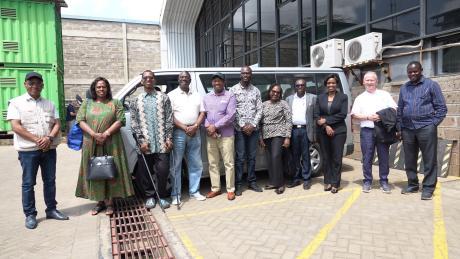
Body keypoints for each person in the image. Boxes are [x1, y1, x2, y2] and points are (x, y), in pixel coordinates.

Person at [7, 72, 69, 229]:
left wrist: (48, 138)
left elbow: (56, 124)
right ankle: (30, 215)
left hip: (49, 149)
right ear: (25, 84)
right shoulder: (16, 103)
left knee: (50, 180)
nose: (35, 85)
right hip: (28, 151)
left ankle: (51, 209)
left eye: (38, 83)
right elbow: (16, 126)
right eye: (31, 82)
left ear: (42, 85)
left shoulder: (49, 104)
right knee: (28, 183)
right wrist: (37, 140)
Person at [75, 77, 135, 215]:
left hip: (111, 142)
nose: (101, 89)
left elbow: (121, 120)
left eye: (104, 87)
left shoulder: (115, 103)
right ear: (94, 89)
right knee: (95, 171)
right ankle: (99, 201)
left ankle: (110, 203)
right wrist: (94, 134)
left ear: (107, 88)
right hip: (92, 142)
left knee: (110, 170)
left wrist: (106, 133)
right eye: (98, 87)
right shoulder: (87, 103)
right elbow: (80, 120)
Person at [397, 61, 447, 200]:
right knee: (409, 159)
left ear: (421, 70)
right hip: (407, 129)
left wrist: (433, 125)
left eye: (415, 71)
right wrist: (400, 127)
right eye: (410, 72)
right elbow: (400, 109)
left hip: (426, 127)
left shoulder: (431, 85)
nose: (412, 74)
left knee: (429, 159)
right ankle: (412, 185)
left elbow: (442, 108)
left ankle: (428, 188)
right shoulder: (404, 88)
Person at [130, 70, 173, 209]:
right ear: (142, 81)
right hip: (145, 144)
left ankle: (162, 196)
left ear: (154, 80)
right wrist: (141, 141)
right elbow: (134, 122)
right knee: (145, 173)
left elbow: (169, 119)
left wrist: (169, 138)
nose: (148, 80)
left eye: (151, 77)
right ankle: (150, 197)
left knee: (163, 171)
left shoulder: (164, 98)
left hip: (162, 142)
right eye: (146, 78)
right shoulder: (136, 100)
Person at [351, 72, 398, 193]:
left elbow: (394, 108)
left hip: (382, 130)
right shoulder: (360, 98)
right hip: (367, 131)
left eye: (372, 80)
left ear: (376, 82)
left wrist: (381, 116)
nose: (370, 82)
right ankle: (367, 181)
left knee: (384, 156)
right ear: (363, 82)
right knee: (367, 157)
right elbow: (354, 115)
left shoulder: (384, 94)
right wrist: (367, 117)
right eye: (367, 80)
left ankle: (384, 181)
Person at [168, 71, 206, 204]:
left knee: (196, 163)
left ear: (190, 80)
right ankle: (176, 194)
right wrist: (184, 128)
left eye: (186, 77)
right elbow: (170, 116)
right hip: (178, 132)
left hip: (195, 131)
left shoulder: (197, 95)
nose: (184, 79)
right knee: (176, 164)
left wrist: (195, 126)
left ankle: (194, 192)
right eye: (181, 77)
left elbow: (202, 113)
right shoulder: (171, 95)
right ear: (178, 80)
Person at [230, 66, 263, 196]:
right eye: (243, 73)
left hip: (253, 130)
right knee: (240, 157)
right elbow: (232, 110)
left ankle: (251, 181)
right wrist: (243, 125)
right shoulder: (233, 90)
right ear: (240, 74)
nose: (246, 75)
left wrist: (253, 124)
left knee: (252, 157)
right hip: (239, 129)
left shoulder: (256, 90)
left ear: (251, 74)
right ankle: (238, 184)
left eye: (248, 73)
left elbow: (259, 109)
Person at [203, 73, 237, 200]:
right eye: (214, 81)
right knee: (213, 163)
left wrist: (215, 126)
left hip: (226, 135)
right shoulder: (206, 97)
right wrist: (208, 127)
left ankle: (230, 189)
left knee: (229, 163)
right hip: (211, 135)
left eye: (219, 81)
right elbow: (203, 115)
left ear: (224, 82)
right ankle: (215, 188)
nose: (217, 83)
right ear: (212, 83)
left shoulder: (230, 95)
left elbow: (231, 115)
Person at [314, 74, 348, 194]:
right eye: (329, 83)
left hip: (338, 131)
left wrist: (327, 120)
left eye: (333, 83)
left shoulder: (343, 97)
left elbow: (343, 114)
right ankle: (327, 181)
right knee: (326, 157)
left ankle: (335, 183)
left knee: (336, 158)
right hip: (323, 131)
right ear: (326, 85)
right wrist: (326, 126)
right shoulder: (320, 97)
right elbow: (317, 115)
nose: (331, 85)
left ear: (336, 84)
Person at [259, 84, 292, 194]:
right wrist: (260, 138)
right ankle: (273, 182)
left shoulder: (283, 104)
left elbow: (289, 121)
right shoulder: (263, 105)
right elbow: (259, 122)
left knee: (276, 157)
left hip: (279, 134)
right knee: (270, 159)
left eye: (278, 92)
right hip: (266, 135)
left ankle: (281, 183)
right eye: (273, 91)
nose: (275, 94)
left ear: (280, 94)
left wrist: (287, 137)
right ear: (269, 92)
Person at [285, 79, 317, 190]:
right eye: (297, 85)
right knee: (294, 156)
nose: (300, 87)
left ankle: (307, 179)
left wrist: (314, 135)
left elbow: (315, 117)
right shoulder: (289, 99)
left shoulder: (312, 98)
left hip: (305, 130)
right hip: (293, 130)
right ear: (295, 86)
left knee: (306, 156)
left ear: (305, 86)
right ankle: (296, 178)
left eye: (302, 85)